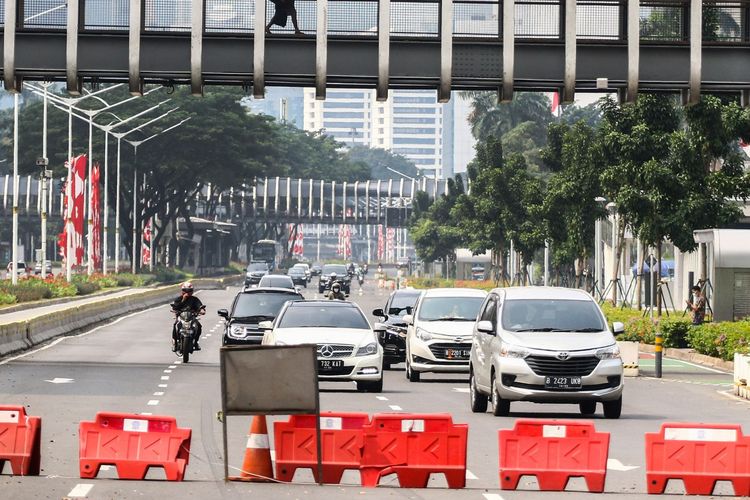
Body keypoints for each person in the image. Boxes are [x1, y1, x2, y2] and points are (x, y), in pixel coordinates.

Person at [171, 281, 206, 350]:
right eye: (185, 290)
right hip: (181, 317)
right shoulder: (179, 299)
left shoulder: (195, 299)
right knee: (175, 325)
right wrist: (183, 300)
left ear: (192, 291)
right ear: (182, 291)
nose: (187, 292)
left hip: (191, 317)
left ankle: (196, 342)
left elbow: (200, 306)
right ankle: (175, 342)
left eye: (189, 291)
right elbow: (175, 307)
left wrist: (202, 310)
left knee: (198, 326)